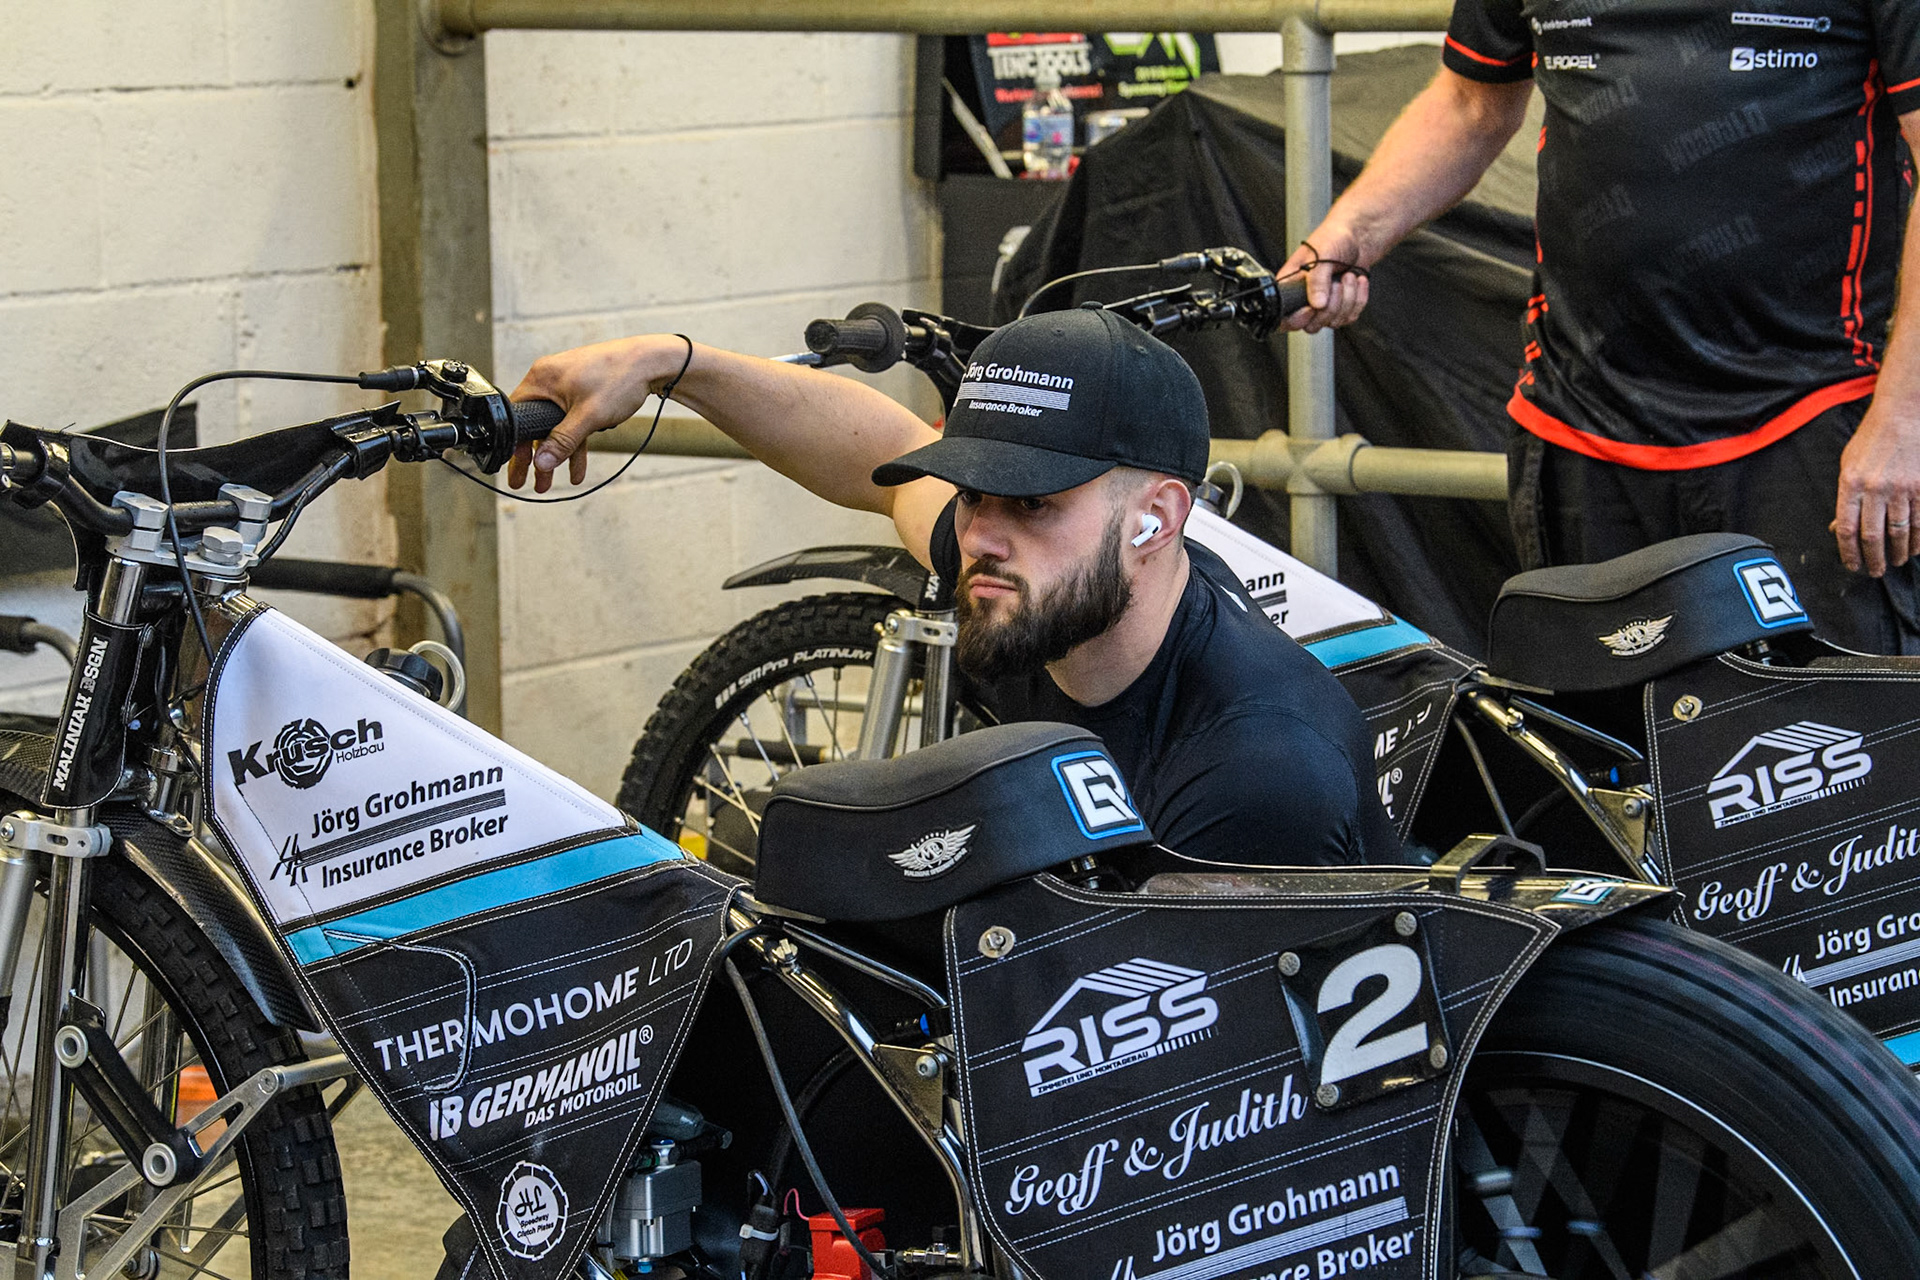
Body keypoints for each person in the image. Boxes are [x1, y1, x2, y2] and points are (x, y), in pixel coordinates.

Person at [509, 307, 1401, 867]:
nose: (978, 535)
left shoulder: (1255, 768)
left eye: (1032, 501)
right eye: (974, 491)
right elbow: (879, 455)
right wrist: (672, 362)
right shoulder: (1050, 585)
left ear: (1157, 519)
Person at [1279, 4, 1920, 652]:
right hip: (1583, 421)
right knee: (1603, 738)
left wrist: (1904, 420)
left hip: (1813, 423)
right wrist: (1352, 231)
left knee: (1815, 738)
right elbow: (1471, 104)